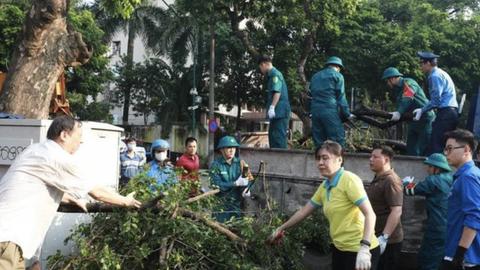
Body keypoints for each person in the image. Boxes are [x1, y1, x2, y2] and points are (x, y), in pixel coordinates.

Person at [0, 115, 142, 270]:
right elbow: (97, 192)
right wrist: (126, 201)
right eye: (79, 136)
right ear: (64, 135)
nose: (81, 141)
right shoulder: (56, 157)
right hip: (8, 239)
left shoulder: (35, 150)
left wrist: (68, 198)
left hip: (10, 237)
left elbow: (37, 187)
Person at [269, 140, 380, 270]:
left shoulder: (349, 180)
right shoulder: (325, 186)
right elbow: (303, 212)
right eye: (318, 158)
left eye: (325, 158)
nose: (320, 162)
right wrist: (281, 228)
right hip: (340, 249)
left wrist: (365, 247)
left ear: (339, 159)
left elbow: (370, 214)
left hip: (360, 251)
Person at [403, 153, 453, 270]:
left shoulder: (433, 180)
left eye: (429, 166)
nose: (427, 169)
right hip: (449, 225)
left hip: (435, 227)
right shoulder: (452, 178)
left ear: (437, 168)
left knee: (429, 259)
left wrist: (406, 183)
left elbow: (410, 191)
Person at [440, 129, 480, 270]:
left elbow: (475, 216)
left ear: (466, 149)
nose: (446, 154)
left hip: (466, 259)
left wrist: (459, 255)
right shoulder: (465, 175)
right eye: (445, 149)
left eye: (450, 149)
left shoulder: (468, 177)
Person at [382, 67, 435, 156]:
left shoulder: (408, 82)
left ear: (392, 78)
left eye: (387, 81)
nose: (387, 83)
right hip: (413, 121)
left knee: (423, 148)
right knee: (411, 148)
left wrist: (399, 112)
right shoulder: (398, 90)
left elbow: (408, 97)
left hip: (425, 119)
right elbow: (402, 103)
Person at [366, 145, 403, 270]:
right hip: (375, 237)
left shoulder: (391, 180)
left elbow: (396, 210)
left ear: (386, 160)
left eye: (375, 157)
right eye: (370, 156)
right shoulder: (378, 178)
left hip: (389, 241)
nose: (371, 159)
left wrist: (384, 237)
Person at [414, 51, 458, 154]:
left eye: (422, 63)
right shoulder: (441, 73)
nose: (420, 66)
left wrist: (422, 110)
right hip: (450, 113)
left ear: (428, 63)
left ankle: (437, 170)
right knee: (444, 145)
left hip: (446, 113)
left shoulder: (434, 76)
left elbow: (436, 101)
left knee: (436, 146)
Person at [309, 56, 354, 148]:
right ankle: (337, 161)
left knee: (319, 142)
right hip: (329, 110)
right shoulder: (338, 76)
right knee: (337, 140)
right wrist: (347, 114)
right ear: (338, 67)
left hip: (315, 111)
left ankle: (320, 160)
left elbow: (311, 94)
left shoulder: (315, 76)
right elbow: (341, 97)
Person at [209, 136, 252, 222]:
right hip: (221, 206)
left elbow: (249, 179)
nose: (232, 150)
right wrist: (234, 183)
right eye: (228, 147)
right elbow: (216, 184)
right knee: (220, 230)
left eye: (233, 147)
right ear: (221, 150)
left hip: (237, 205)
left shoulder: (242, 163)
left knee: (236, 230)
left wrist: (247, 189)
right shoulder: (215, 165)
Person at [258, 55, 291, 149]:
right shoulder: (271, 76)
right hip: (276, 113)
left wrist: (272, 107)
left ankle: (282, 161)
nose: (261, 70)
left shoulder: (275, 74)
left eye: (260, 67)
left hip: (280, 111)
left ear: (263, 64)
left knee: (278, 138)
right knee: (273, 137)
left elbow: (277, 92)